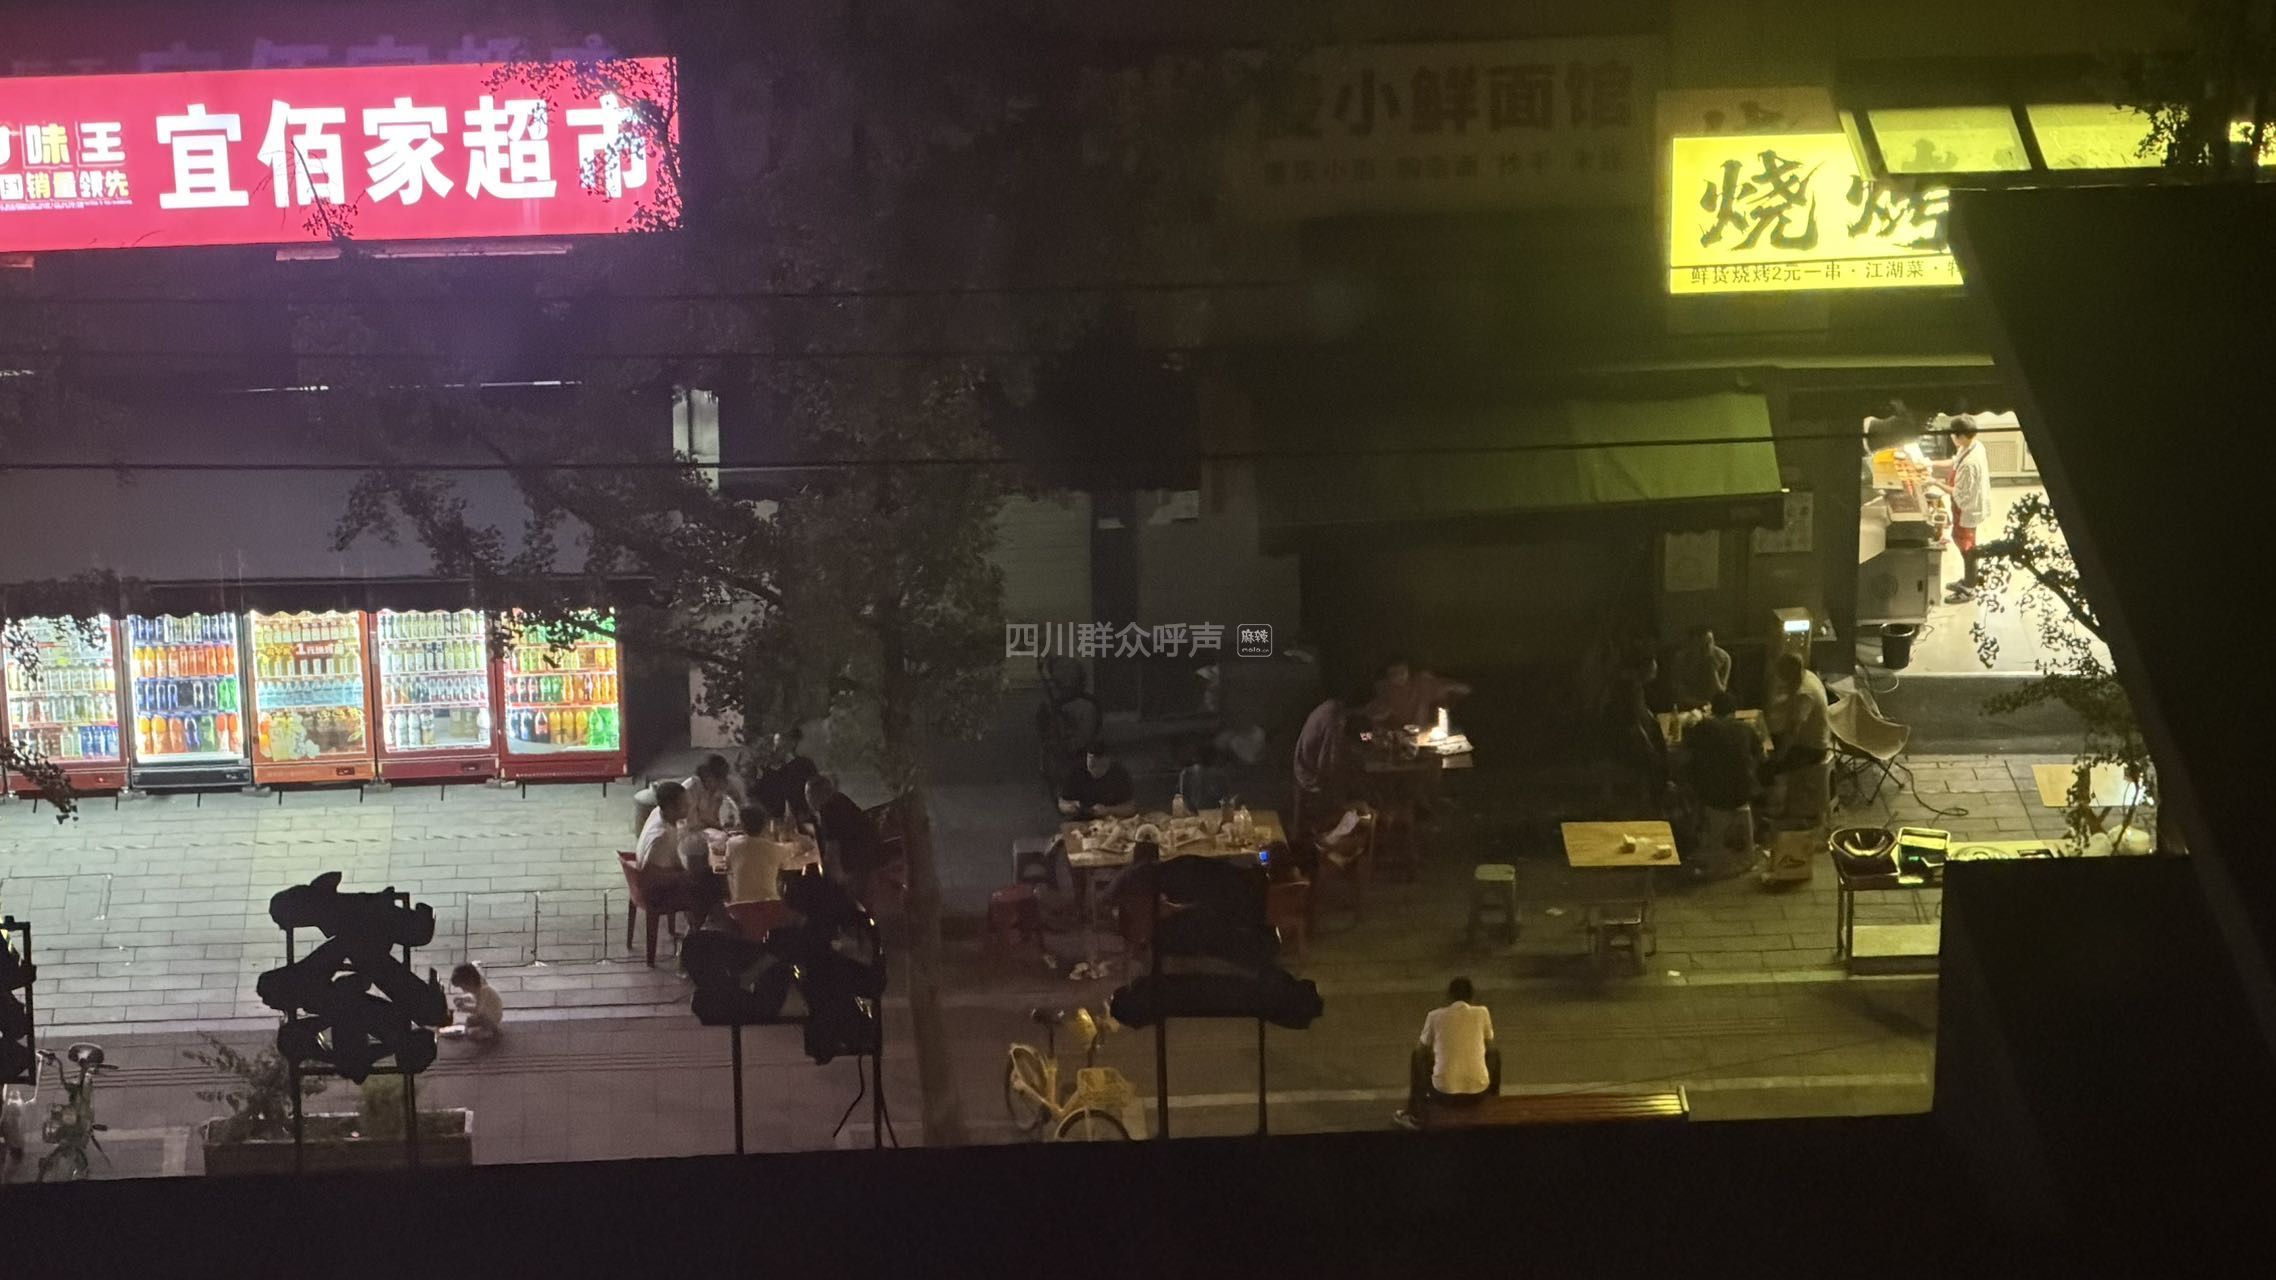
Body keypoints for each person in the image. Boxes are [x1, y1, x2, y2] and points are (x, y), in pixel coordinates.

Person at [1394, 977, 1496, 1130]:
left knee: (1417, 1057)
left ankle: (1415, 1113)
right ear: (1472, 996)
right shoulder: (1482, 1012)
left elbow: (1420, 1049)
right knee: (1495, 1055)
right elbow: (1491, 1047)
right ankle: (1493, 1099)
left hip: (1443, 1095)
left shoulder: (1434, 1016)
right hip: (1477, 1095)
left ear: (1449, 996)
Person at [1683, 692, 1761, 876]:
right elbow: (1761, 756)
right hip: (1743, 793)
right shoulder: (1746, 728)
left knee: (1687, 779)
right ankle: (1744, 852)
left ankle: (1697, 835)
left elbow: (1686, 746)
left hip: (1713, 794)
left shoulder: (1704, 727)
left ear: (1713, 710)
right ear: (1734, 711)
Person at [1762, 653, 1834, 839]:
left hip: (1812, 747)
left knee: (1767, 765)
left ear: (1791, 673)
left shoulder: (1804, 695)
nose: (1780, 679)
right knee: (1770, 739)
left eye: (1782, 675)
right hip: (1814, 737)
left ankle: (1777, 809)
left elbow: (1793, 732)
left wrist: (1779, 757)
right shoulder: (1808, 675)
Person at [1930, 415, 1991, 603]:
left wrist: (1934, 482)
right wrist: (1929, 464)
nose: (1951, 438)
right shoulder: (1974, 445)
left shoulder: (1970, 463)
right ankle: (1968, 580)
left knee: (1967, 547)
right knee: (1963, 541)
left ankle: (1969, 589)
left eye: (1953, 435)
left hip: (1967, 508)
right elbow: (1954, 462)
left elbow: (1959, 494)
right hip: (1969, 504)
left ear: (1961, 436)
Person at [1603, 649, 1670, 812]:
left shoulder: (1635, 686)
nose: (1655, 672)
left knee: (1661, 746)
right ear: (1643, 669)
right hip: (1623, 742)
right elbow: (1633, 725)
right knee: (1657, 761)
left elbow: (1641, 712)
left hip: (1630, 736)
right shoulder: (1630, 689)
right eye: (1653, 668)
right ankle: (1655, 801)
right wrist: (1649, 748)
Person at [805, 774, 888, 893]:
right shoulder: (840, 799)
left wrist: (833, 883)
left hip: (860, 868)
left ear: (818, 794)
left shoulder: (829, 811)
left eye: (808, 794)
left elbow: (833, 853)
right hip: (872, 858)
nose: (807, 800)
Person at [1057, 742, 1137, 819]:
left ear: (1110, 761)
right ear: (1087, 759)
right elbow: (1062, 804)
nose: (1097, 770)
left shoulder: (1119, 773)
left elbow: (1131, 807)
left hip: (1111, 820)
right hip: (1080, 820)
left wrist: (1108, 810)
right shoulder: (1075, 772)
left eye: (1103, 766)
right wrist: (1072, 806)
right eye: (1092, 765)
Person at [1665, 625, 1732, 713]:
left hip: (1715, 706)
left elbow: (1721, 693)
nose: (1707, 648)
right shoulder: (1681, 659)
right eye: (1702, 645)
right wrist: (1698, 704)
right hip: (1687, 707)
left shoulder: (1723, 658)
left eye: (1710, 642)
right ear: (1691, 644)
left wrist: (1712, 669)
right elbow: (1678, 693)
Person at [438, 962, 504, 1043]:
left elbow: (479, 1010)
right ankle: (485, 1029)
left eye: (463, 987)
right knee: (469, 1022)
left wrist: (465, 1008)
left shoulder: (484, 991)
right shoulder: (479, 987)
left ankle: (490, 1031)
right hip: (487, 1014)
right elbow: (473, 997)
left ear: (470, 983)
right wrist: (462, 998)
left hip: (491, 1017)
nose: (463, 990)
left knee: (472, 1030)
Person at [681, 753, 745, 833]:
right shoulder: (689, 789)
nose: (722, 783)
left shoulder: (733, 784)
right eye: (718, 780)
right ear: (706, 777)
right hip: (696, 832)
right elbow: (691, 825)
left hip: (724, 829)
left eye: (723, 778)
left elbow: (743, 809)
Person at [1176, 742, 1233, 814]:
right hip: (1213, 812)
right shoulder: (1187, 773)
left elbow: (1184, 796)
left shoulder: (1186, 773)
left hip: (1205, 813)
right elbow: (1227, 796)